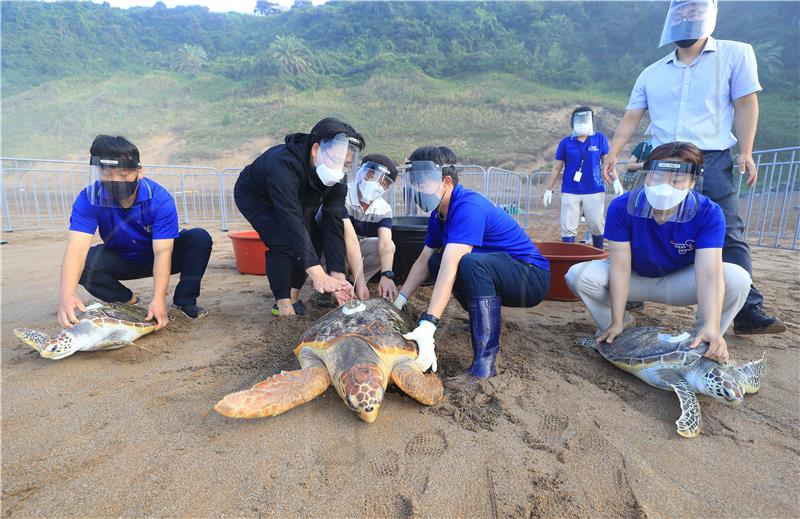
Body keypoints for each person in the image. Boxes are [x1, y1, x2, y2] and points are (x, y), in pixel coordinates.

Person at [602, 0, 785, 334]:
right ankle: (631, 291)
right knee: (646, 220)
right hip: (661, 161)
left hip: (711, 158)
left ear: (709, 15)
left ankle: (744, 310)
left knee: (728, 231)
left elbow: (745, 103)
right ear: (671, 20)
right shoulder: (652, 72)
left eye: (694, 12)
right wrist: (613, 152)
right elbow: (632, 116)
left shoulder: (736, 54)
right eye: (680, 13)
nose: (686, 18)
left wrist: (746, 150)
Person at [567, 142, 752, 363]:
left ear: (693, 182)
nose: (665, 186)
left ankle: (704, 338)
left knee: (737, 278)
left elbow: (709, 274)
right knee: (578, 275)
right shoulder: (622, 206)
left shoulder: (709, 212)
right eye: (657, 177)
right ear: (646, 176)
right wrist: (616, 319)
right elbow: (620, 266)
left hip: (679, 281)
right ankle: (617, 326)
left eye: (676, 180)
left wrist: (712, 325)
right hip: (634, 278)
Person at [394, 146, 551, 386]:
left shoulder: (468, 207)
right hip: (503, 272)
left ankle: (484, 366)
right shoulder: (439, 216)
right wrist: (399, 302)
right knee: (438, 260)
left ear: (445, 181)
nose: (416, 190)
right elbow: (424, 261)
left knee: (467, 263)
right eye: (414, 183)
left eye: (422, 183)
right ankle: (486, 316)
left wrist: (428, 324)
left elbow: (452, 264)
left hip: (530, 277)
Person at [58, 135, 212, 329]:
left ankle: (185, 300)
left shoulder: (159, 199)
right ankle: (129, 301)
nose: (115, 181)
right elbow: (76, 249)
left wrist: (158, 299)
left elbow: (163, 252)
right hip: (122, 257)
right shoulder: (89, 198)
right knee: (84, 262)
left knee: (199, 238)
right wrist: (66, 294)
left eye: (123, 175)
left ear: (139, 171)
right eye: (107, 174)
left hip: (159, 255)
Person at [234, 118, 363, 317]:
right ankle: (283, 303)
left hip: (300, 196)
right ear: (316, 149)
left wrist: (337, 275)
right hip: (257, 197)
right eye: (336, 162)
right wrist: (317, 272)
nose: (340, 170)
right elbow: (290, 218)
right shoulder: (283, 163)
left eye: (346, 165)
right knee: (282, 240)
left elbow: (334, 220)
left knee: (314, 236)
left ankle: (294, 294)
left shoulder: (336, 176)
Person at [543, 107, 624, 249]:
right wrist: (548, 189)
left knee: (597, 224)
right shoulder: (566, 143)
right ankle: (568, 254)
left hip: (594, 189)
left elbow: (607, 162)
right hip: (570, 189)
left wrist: (616, 180)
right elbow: (556, 167)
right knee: (568, 225)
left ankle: (598, 252)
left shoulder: (599, 139)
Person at [339, 154, 400, 301]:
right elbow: (346, 241)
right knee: (339, 248)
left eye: (384, 183)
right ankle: (336, 284)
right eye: (372, 175)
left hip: (357, 248)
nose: (377, 184)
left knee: (389, 246)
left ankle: (355, 282)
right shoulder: (342, 196)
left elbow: (385, 243)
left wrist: (387, 274)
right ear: (362, 172)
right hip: (334, 248)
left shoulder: (383, 208)